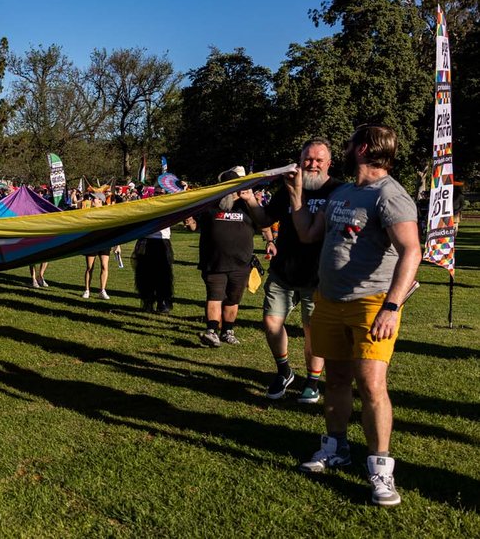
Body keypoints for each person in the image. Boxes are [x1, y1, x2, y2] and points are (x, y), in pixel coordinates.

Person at [289, 124, 419, 507]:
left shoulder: (390, 196)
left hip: (372, 303)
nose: (344, 149)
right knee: (337, 379)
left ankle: (380, 468)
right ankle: (335, 447)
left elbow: (411, 251)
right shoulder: (344, 192)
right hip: (329, 299)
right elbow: (310, 235)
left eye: (348, 144)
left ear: (362, 148)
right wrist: (296, 198)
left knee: (372, 385)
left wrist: (392, 307)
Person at [240, 139, 341, 403]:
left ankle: (312, 381)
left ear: (329, 163)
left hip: (318, 275)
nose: (313, 164)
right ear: (299, 160)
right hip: (284, 270)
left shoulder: (338, 192)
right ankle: (284, 371)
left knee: (312, 331)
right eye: (308, 159)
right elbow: (264, 220)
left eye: (319, 160)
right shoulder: (286, 190)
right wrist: (251, 200)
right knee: (271, 323)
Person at [184, 166, 259, 347]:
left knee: (233, 299)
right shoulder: (209, 205)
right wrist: (188, 219)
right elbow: (194, 226)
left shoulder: (247, 206)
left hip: (241, 263)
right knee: (215, 296)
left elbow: (263, 222)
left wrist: (271, 241)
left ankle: (227, 331)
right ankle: (211, 331)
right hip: (214, 262)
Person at [133, 223, 173, 314]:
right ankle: (148, 302)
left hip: (162, 240)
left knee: (163, 275)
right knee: (145, 275)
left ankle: (162, 302)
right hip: (146, 239)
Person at [81, 195, 114, 300]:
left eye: (94, 198)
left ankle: (102, 290)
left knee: (104, 266)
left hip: (105, 242)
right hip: (92, 242)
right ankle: (87, 290)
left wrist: (117, 245)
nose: (91, 200)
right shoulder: (89, 212)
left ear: (100, 201)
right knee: (90, 267)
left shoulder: (107, 213)